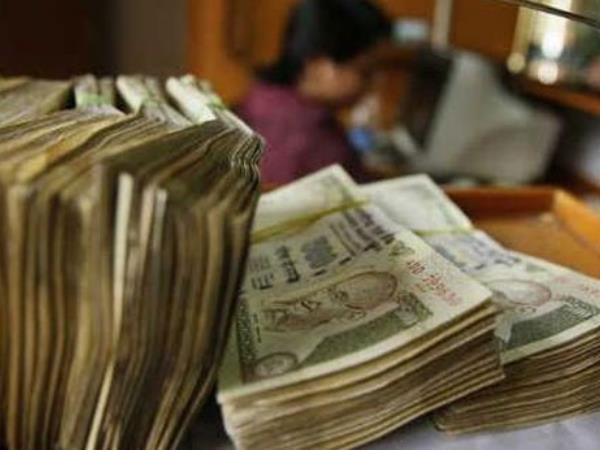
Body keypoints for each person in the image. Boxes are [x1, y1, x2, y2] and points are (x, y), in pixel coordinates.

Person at [237, 0, 391, 185]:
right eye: (365, 72)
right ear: (318, 66)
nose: (374, 82)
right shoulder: (309, 139)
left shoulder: (263, 98)